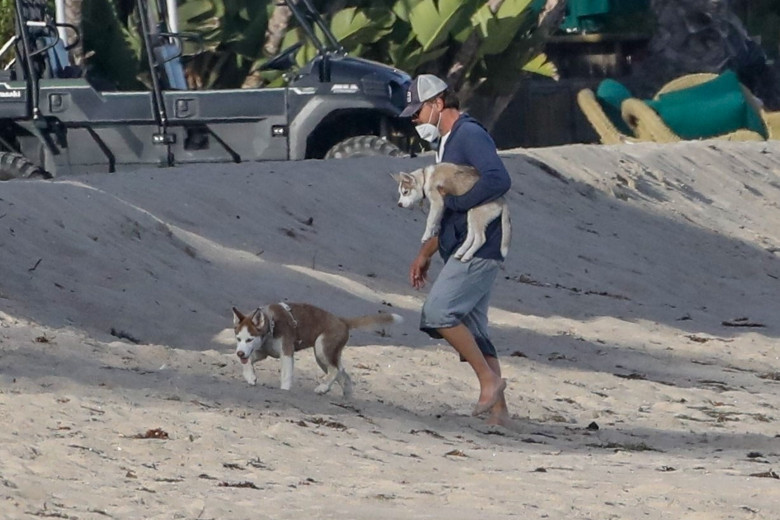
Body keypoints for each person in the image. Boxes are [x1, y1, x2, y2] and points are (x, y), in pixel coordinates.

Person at [400, 74, 511, 426]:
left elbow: (498, 179)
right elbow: (445, 206)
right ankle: (499, 415)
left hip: (479, 248)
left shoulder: (469, 133)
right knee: (475, 329)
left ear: (437, 104)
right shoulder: (446, 143)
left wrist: (462, 206)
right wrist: (426, 252)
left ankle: (489, 382)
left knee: (438, 313)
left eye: (417, 112)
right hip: (462, 246)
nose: (414, 120)